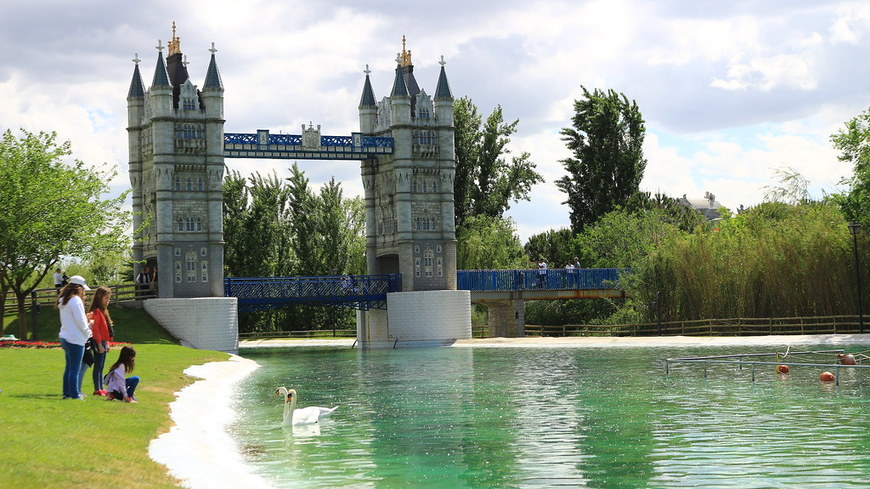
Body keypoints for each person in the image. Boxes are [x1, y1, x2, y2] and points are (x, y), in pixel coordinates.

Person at [58, 275, 92, 400]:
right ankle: (74, 394)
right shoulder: (76, 301)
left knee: (69, 368)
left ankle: (67, 393)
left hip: (66, 337)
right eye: (83, 289)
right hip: (75, 338)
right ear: (78, 288)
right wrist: (88, 332)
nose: (84, 291)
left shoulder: (64, 300)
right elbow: (80, 321)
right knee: (75, 369)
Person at [88, 286, 114, 396]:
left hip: (103, 341)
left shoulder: (103, 311)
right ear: (99, 298)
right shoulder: (96, 311)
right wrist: (99, 344)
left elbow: (105, 329)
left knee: (101, 365)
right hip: (99, 342)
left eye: (109, 299)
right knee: (98, 365)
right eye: (106, 298)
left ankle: (101, 387)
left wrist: (107, 343)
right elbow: (96, 329)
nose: (108, 301)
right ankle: (97, 388)